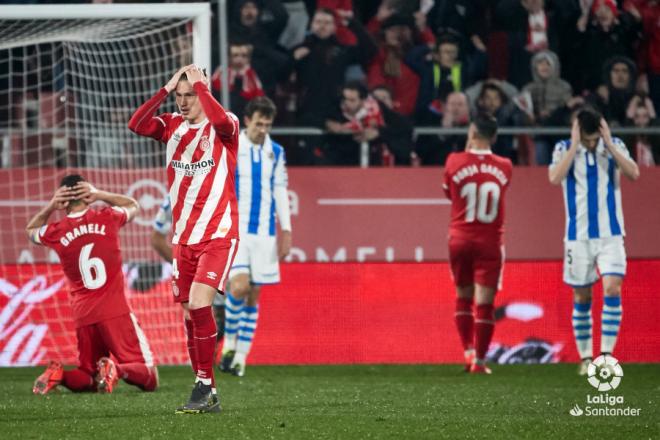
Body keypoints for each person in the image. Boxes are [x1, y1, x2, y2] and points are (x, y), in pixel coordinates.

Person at [129, 65, 240, 414]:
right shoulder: (171, 127)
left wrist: (203, 89)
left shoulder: (225, 125)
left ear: (203, 92)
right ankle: (207, 389)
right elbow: (135, 124)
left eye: (189, 95)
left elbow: (221, 120)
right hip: (184, 238)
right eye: (180, 96)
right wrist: (164, 89)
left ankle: (204, 384)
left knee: (198, 304)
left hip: (219, 233)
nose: (183, 102)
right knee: (191, 317)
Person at [28, 175, 158, 395]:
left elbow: (31, 231)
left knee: (88, 375)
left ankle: (60, 375)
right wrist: (99, 194)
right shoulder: (108, 217)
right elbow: (133, 205)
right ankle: (115, 369)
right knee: (149, 375)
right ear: (86, 197)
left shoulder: (56, 232)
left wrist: (51, 206)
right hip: (115, 311)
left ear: (64, 201)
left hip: (83, 316)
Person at [548, 108, 640, 375]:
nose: (591, 144)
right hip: (578, 237)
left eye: (593, 139)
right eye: (586, 139)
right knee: (582, 295)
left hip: (611, 234)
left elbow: (634, 174)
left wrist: (609, 144)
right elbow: (554, 178)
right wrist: (575, 143)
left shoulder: (614, 146)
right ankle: (586, 357)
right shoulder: (564, 148)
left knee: (612, 288)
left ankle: (606, 355)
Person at [219, 96, 292, 377]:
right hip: (235, 231)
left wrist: (286, 230)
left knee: (254, 294)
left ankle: (240, 357)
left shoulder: (276, 151)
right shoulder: (234, 146)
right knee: (238, 287)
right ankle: (229, 344)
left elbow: (280, 191)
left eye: (268, 124)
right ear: (247, 120)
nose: (263, 129)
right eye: (259, 123)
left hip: (264, 233)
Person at [442, 114, 513, 374]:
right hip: (490, 241)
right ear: (494, 137)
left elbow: (450, 193)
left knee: (463, 296)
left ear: (471, 133)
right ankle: (481, 363)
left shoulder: (454, 160)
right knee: (485, 303)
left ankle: (468, 353)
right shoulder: (505, 165)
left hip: (460, 238)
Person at [150, 196, 226, 354]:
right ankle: (203, 368)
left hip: (222, 262)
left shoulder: (222, 189)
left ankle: (219, 359)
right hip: (195, 267)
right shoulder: (173, 197)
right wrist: (186, 268)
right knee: (201, 315)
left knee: (220, 319)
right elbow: (156, 239)